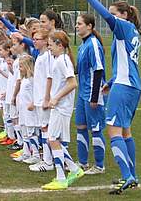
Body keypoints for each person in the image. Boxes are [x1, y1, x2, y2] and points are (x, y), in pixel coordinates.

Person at [82, 0, 141, 194]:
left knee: (113, 131)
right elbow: (127, 63)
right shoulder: (131, 32)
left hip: (124, 87)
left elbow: (106, 16)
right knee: (125, 131)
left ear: (124, 15)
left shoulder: (124, 26)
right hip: (131, 85)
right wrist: (111, 81)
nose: (112, 17)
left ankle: (127, 176)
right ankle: (132, 175)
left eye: (115, 12)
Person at [42, 31, 84, 191]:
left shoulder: (62, 60)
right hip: (59, 106)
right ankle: (74, 169)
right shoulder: (60, 59)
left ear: (59, 45)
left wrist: (56, 98)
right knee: (52, 139)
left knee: (52, 139)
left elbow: (73, 83)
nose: (49, 48)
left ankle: (62, 177)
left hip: (62, 107)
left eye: (51, 45)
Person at [75, 14, 107, 175]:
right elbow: (78, 69)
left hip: (93, 93)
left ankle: (99, 165)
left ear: (89, 26)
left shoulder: (93, 44)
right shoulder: (83, 45)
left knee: (95, 129)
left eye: (80, 23)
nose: (77, 26)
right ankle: (83, 162)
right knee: (80, 126)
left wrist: (95, 97)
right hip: (82, 93)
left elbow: (98, 70)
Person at [29, 29, 55, 172]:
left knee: (46, 129)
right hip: (38, 98)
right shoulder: (40, 56)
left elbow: (50, 78)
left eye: (38, 39)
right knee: (43, 128)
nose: (35, 41)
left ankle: (48, 161)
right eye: (34, 39)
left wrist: (46, 98)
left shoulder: (48, 57)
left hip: (44, 99)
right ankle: (46, 159)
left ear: (45, 41)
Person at [13, 55, 40, 165]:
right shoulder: (24, 79)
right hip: (23, 110)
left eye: (21, 66)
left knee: (31, 132)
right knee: (24, 131)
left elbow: (37, 93)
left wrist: (33, 104)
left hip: (30, 111)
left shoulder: (32, 79)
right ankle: (26, 152)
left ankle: (36, 154)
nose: (19, 68)